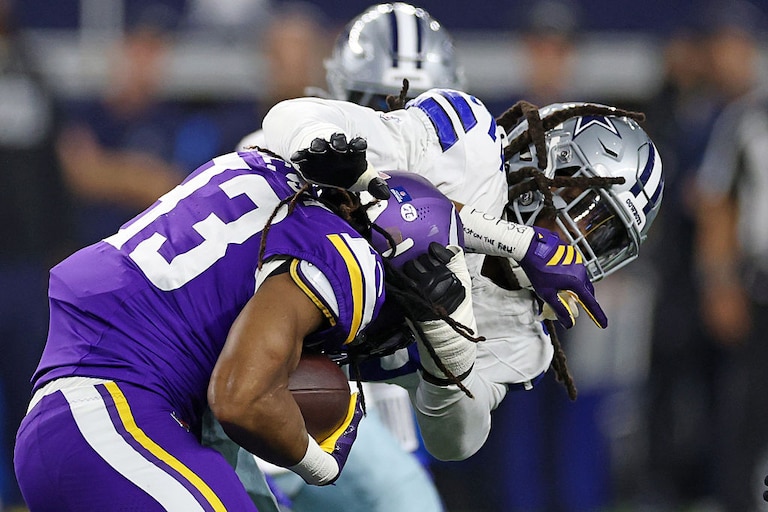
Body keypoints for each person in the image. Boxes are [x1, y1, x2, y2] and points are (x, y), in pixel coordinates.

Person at [14, 136, 488, 510]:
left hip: (87, 418)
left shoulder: (256, 167)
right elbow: (240, 398)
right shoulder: (352, 259)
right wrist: (318, 461)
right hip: (115, 418)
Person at [235, 5, 465, 511]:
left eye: (420, 109)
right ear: (342, 94)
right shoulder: (284, 153)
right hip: (298, 387)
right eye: (375, 101)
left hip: (385, 407)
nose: (397, 121)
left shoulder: (450, 187)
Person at [693, 3, 768, 510]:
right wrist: (720, 282)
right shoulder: (750, 118)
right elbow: (716, 204)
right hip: (761, 290)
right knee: (745, 417)